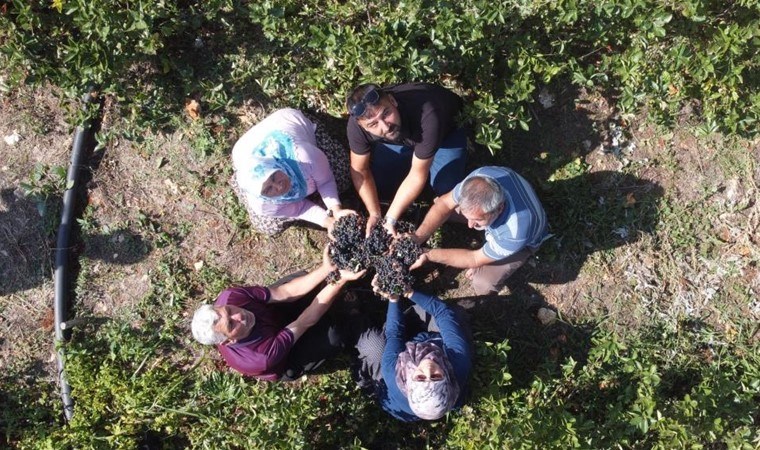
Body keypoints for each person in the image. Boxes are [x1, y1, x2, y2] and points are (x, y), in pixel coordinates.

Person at [191, 247, 366, 381]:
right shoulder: (261, 357)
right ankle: (351, 323)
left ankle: (326, 296)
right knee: (333, 336)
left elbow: (285, 292)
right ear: (228, 341)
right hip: (284, 357)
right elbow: (306, 321)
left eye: (229, 311)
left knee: (299, 279)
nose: (239, 316)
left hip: (273, 316)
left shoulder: (230, 297)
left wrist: (326, 269)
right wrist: (339, 280)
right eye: (231, 324)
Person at [345, 82, 468, 236]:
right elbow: (360, 171)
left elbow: (417, 174)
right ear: (362, 126)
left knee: (445, 194)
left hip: (445, 134)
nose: (384, 126)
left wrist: (390, 219)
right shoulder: (356, 127)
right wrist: (374, 213)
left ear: (393, 101)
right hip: (401, 138)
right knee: (380, 186)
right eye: (373, 124)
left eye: (386, 113)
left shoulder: (428, 114)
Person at [410, 166, 549, 295]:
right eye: (468, 218)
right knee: (439, 206)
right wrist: (418, 236)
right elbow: (444, 204)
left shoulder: (516, 232)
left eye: (477, 221)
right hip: (500, 214)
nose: (470, 225)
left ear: (499, 208)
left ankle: (493, 256)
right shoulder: (479, 178)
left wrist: (428, 255)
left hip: (524, 243)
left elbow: (474, 258)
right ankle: (484, 232)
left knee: (483, 283)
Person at [352, 276, 472, 421]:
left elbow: (394, 335)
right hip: (431, 343)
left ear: (410, 381)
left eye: (420, 378)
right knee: (456, 316)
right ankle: (420, 327)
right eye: (436, 377)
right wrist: (409, 292)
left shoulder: (392, 373)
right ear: (447, 377)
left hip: (395, 397)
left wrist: (394, 299)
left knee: (373, 346)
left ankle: (353, 313)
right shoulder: (459, 362)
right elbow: (443, 313)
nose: (428, 368)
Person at [231, 108, 354, 236]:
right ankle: (238, 180)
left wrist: (336, 208)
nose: (279, 186)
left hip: (288, 121)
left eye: (273, 177)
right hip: (243, 153)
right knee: (266, 226)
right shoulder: (262, 205)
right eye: (268, 190)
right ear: (261, 196)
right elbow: (299, 209)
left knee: (342, 175)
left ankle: (308, 193)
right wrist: (326, 221)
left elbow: (326, 181)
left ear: (275, 164)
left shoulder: (304, 157)